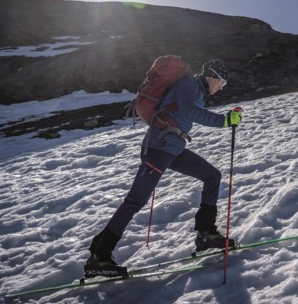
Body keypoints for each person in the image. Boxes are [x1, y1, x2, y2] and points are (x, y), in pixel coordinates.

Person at [85, 58, 242, 275]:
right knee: (135, 201)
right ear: (212, 76)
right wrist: (224, 121)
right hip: (158, 149)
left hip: (173, 149)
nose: (221, 87)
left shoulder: (195, 90)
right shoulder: (188, 85)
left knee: (212, 176)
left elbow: (183, 112)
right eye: (221, 82)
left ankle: (206, 234)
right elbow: (189, 111)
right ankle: (99, 256)